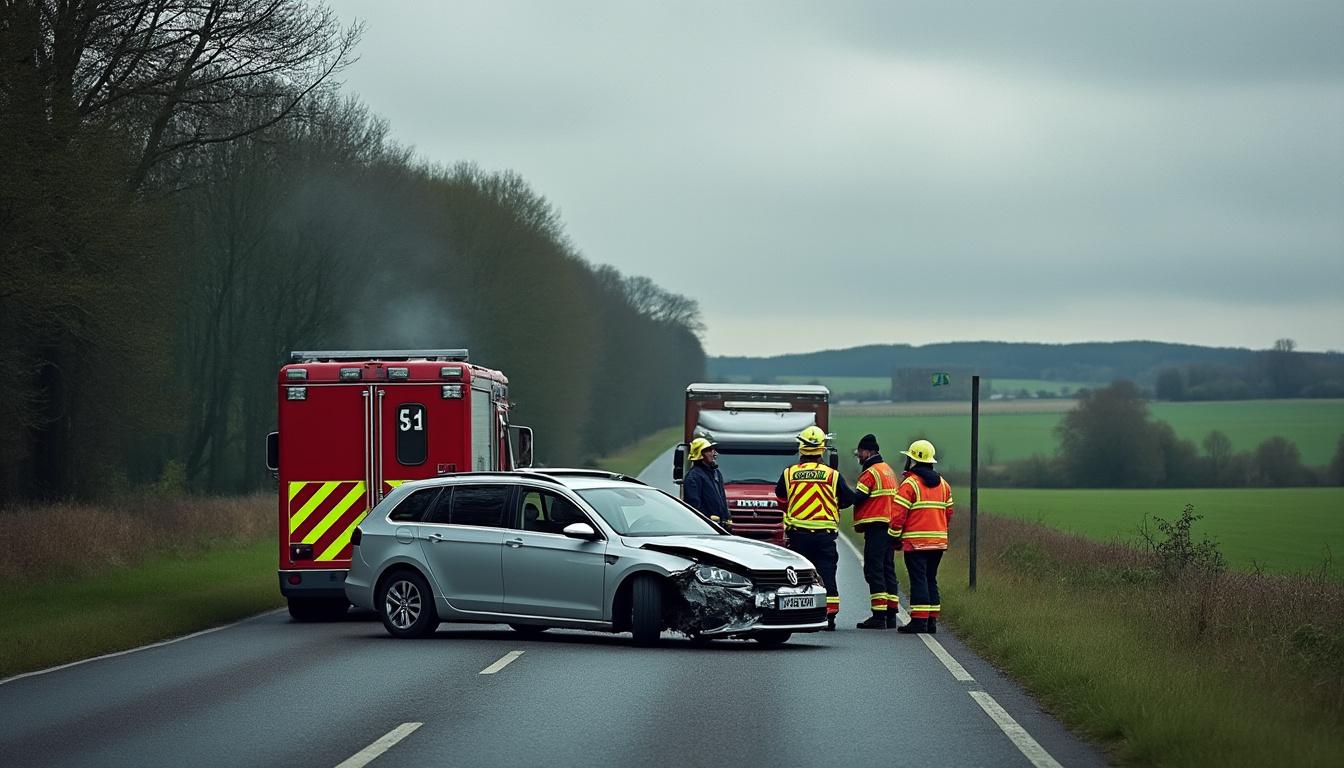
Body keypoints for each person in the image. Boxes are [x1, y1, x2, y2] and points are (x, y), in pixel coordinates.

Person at [775, 425, 855, 631]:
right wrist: (833, 504)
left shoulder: (789, 473)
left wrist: (795, 507)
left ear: (801, 448)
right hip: (824, 536)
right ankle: (829, 617)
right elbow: (848, 498)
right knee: (827, 573)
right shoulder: (832, 475)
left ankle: (799, 614)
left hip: (798, 535)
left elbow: (780, 498)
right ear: (822, 449)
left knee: (799, 575)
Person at [889, 439, 954, 634]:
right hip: (938, 542)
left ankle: (918, 621)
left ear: (912, 461)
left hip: (916, 543)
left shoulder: (910, 484)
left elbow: (898, 514)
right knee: (930, 578)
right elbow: (948, 513)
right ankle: (932, 621)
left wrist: (894, 537)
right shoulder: (944, 485)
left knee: (918, 580)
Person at [851, 433, 901, 629]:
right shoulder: (887, 470)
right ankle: (890, 614)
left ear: (869, 451)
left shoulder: (870, 473)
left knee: (874, 569)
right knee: (888, 568)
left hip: (876, 526)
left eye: (860, 452)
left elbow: (858, 497)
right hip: (889, 526)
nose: (859, 456)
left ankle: (878, 616)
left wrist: (838, 497)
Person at [683, 437, 730, 528]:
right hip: (705, 527)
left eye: (713, 450)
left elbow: (722, 499)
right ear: (700, 455)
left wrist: (727, 517)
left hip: (720, 526)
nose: (713, 453)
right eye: (708, 450)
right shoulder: (693, 477)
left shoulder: (716, 473)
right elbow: (693, 507)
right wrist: (708, 518)